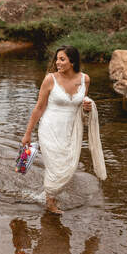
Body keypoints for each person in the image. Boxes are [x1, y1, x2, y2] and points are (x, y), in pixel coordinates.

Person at [22, 45, 106, 215]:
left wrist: (87, 107)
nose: (57, 62)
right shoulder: (50, 79)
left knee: (69, 166)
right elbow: (39, 108)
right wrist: (28, 133)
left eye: (62, 59)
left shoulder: (85, 80)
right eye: (57, 59)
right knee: (54, 167)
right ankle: (50, 201)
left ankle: (49, 193)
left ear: (72, 61)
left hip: (71, 131)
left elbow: (81, 109)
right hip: (49, 128)